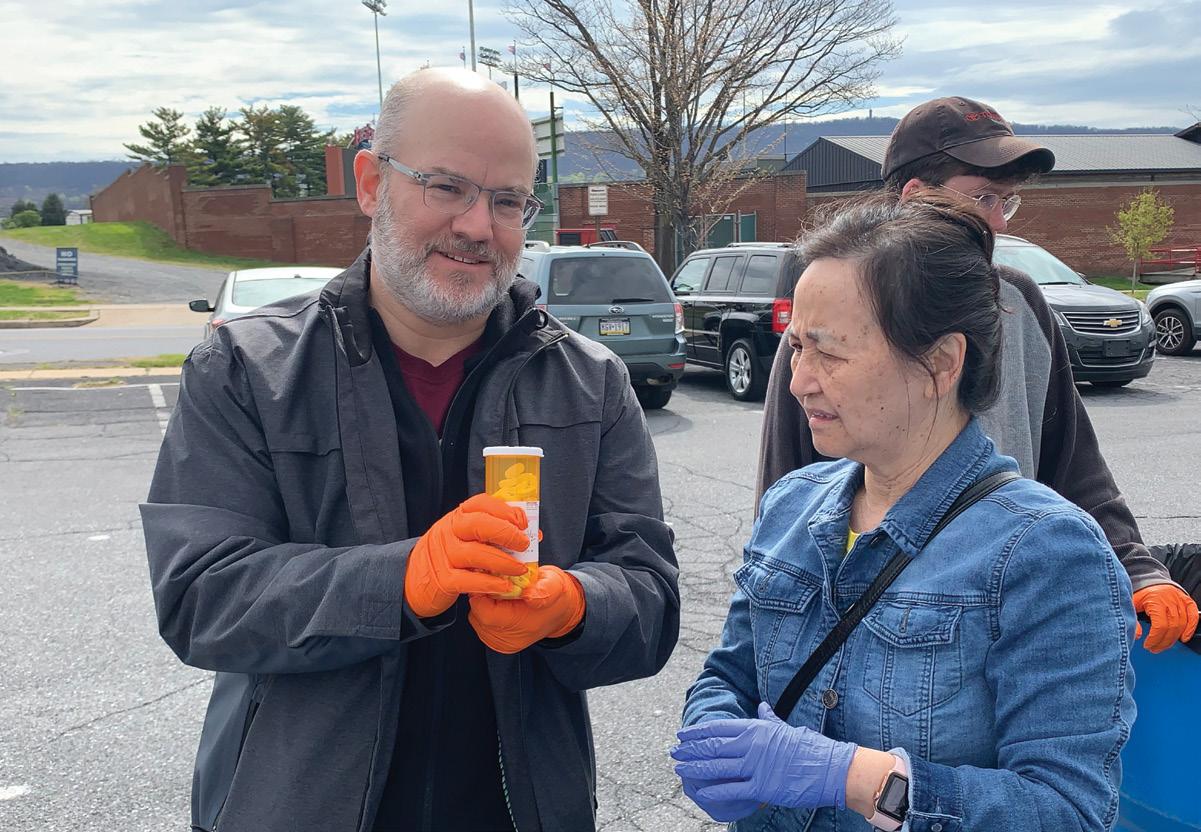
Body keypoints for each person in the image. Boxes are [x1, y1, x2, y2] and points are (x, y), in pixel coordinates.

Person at [141, 68, 679, 832]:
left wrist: (574, 606)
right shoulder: (246, 370)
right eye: (446, 186)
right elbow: (201, 598)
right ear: (371, 183)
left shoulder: (590, 386)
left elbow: (650, 601)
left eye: (506, 201)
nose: (476, 226)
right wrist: (400, 581)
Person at [676, 193, 1135, 830]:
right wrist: (713, 737)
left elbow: (1068, 811)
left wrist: (856, 779)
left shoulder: (1045, 553)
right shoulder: (791, 505)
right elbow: (730, 673)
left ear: (941, 363)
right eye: (796, 347)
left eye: (830, 353)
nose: (799, 380)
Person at [757, 96, 1197, 653]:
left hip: (1016, 614)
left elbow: (1072, 463)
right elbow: (785, 495)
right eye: (983, 197)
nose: (999, 220)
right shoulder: (828, 320)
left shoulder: (1021, 302)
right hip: (875, 635)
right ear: (915, 197)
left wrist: (1136, 567)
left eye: (1007, 201)